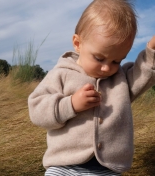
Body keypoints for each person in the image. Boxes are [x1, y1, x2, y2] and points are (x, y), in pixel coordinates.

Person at [28, 0, 155, 175]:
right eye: (99, 58)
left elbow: (143, 74)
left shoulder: (120, 80)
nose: (107, 67)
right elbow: (37, 110)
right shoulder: (62, 73)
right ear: (77, 43)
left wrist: (151, 51)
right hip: (64, 166)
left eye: (116, 61)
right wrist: (71, 104)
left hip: (107, 169)